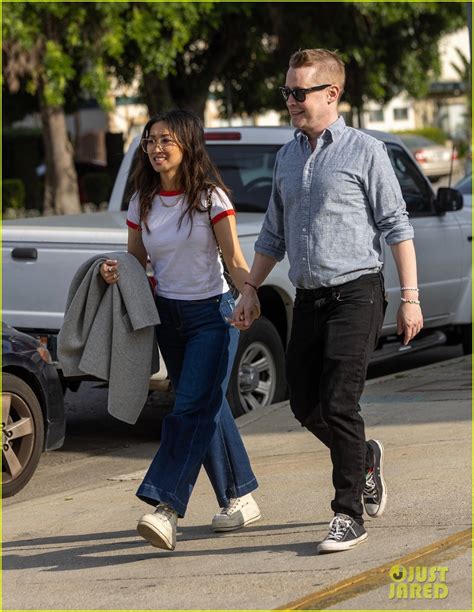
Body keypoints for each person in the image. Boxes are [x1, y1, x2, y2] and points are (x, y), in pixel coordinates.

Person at [232, 49, 424, 553]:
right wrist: (250, 288)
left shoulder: (366, 151)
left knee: (340, 400)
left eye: (299, 92)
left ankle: (347, 514)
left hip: (358, 292)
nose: (291, 101)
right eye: (287, 92)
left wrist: (411, 298)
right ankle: (365, 459)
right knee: (304, 403)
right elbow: (272, 233)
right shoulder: (287, 156)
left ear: (331, 94)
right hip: (310, 297)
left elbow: (396, 228)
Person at [100, 109, 261, 551]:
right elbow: (137, 262)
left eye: (165, 140)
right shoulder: (142, 201)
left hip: (213, 315)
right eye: (150, 141)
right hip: (168, 317)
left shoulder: (211, 198)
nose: (155, 148)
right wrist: (117, 271)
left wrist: (249, 293)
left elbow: (234, 259)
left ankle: (166, 507)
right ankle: (240, 496)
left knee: (189, 407)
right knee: (207, 405)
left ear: (187, 144)